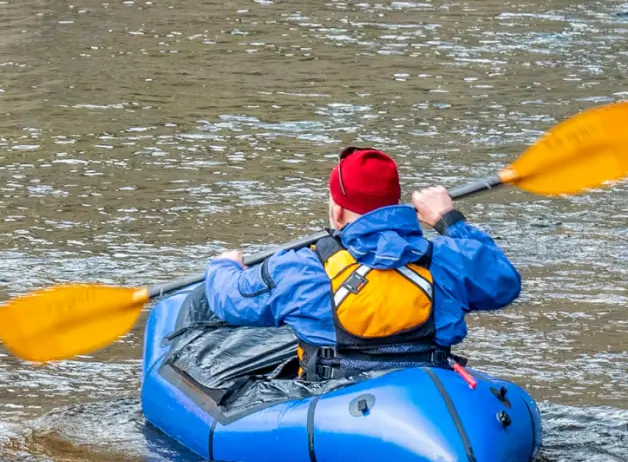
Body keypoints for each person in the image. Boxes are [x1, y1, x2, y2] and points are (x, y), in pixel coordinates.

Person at [203, 146, 521, 382]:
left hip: (333, 401)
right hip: (427, 390)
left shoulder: (301, 269)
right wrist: (448, 219)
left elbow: (231, 302)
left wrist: (224, 266)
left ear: (337, 213)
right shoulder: (447, 259)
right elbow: (503, 283)